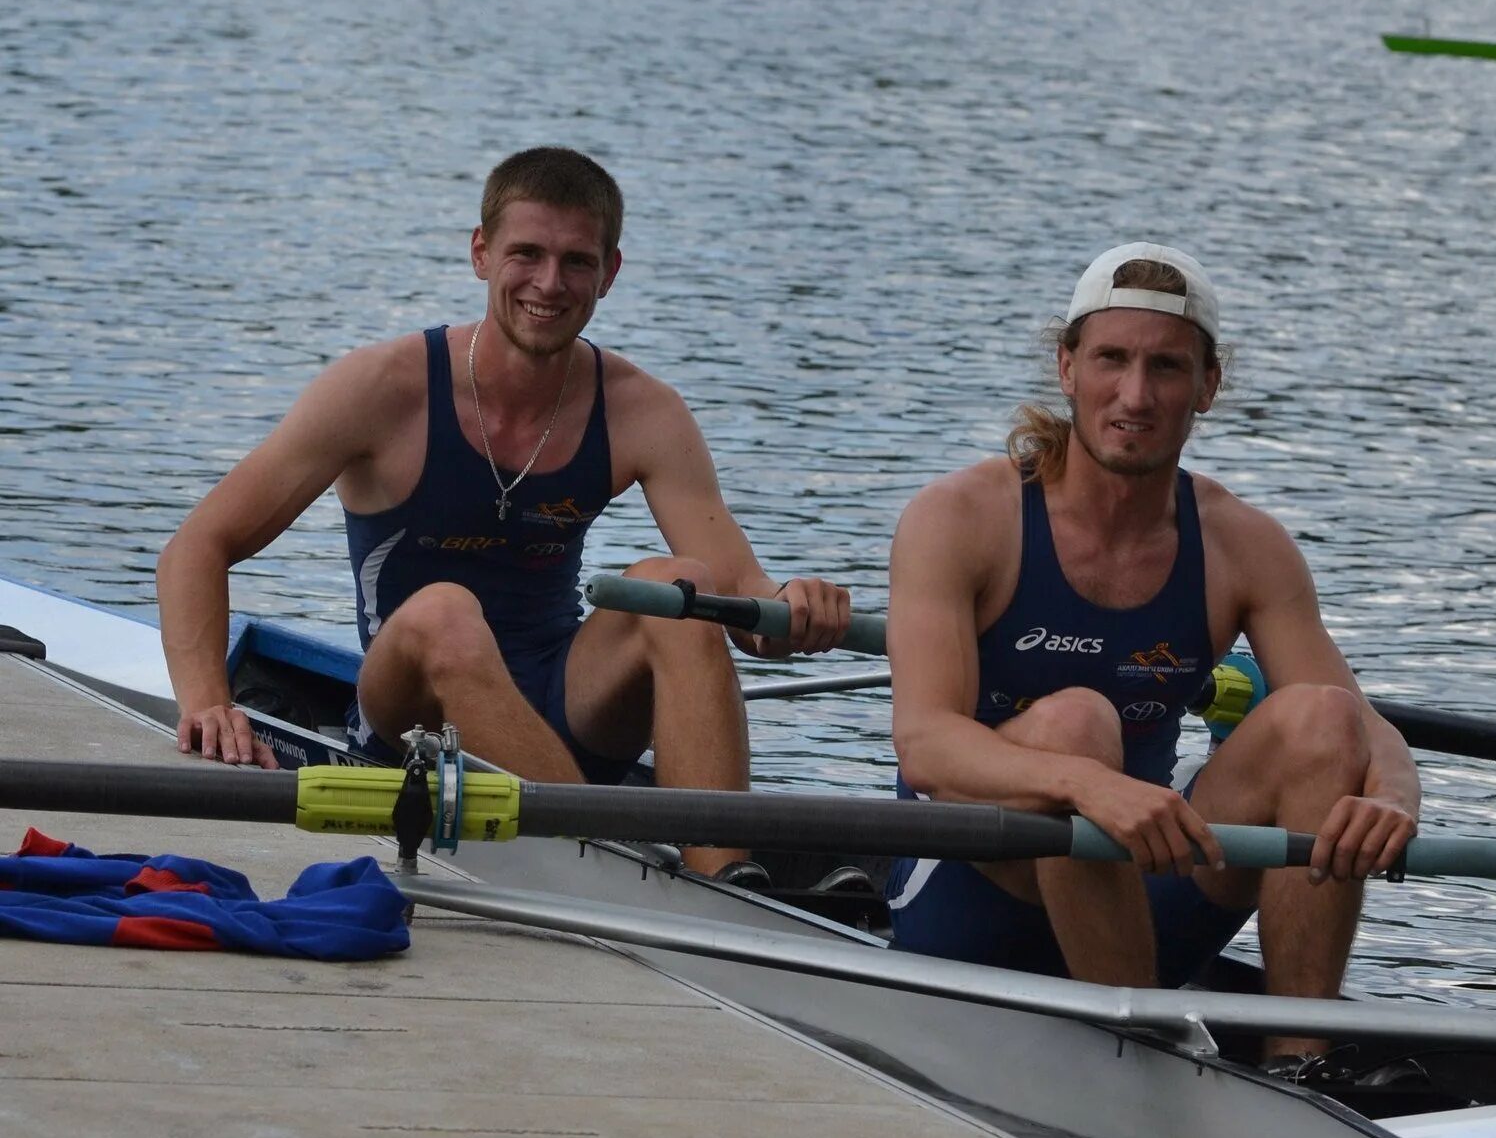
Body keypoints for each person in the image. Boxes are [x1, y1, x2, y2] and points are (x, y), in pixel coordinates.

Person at [156, 146, 850, 877]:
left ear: (610, 273)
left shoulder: (645, 410)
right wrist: (207, 702)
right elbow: (198, 546)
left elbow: (746, 601)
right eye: (527, 254)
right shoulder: (381, 389)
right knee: (444, 611)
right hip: (407, 718)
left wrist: (797, 609)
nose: (550, 285)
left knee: (680, 584)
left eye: (577, 262)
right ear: (481, 254)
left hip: (565, 703)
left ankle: (722, 885)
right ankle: (606, 860)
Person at [882, 242, 1420, 1064]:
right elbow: (923, 743)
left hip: (1144, 899)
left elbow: (1360, 722)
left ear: (1207, 386)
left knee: (1320, 720)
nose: (1135, 396)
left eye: (1166, 368)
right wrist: (1087, 781)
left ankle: (1302, 1064)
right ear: (1067, 369)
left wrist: (1394, 796)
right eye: (1111, 361)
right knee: (1075, 725)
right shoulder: (962, 517)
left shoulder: (1243, 544)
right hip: (971, 907)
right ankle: (1145, 1056)